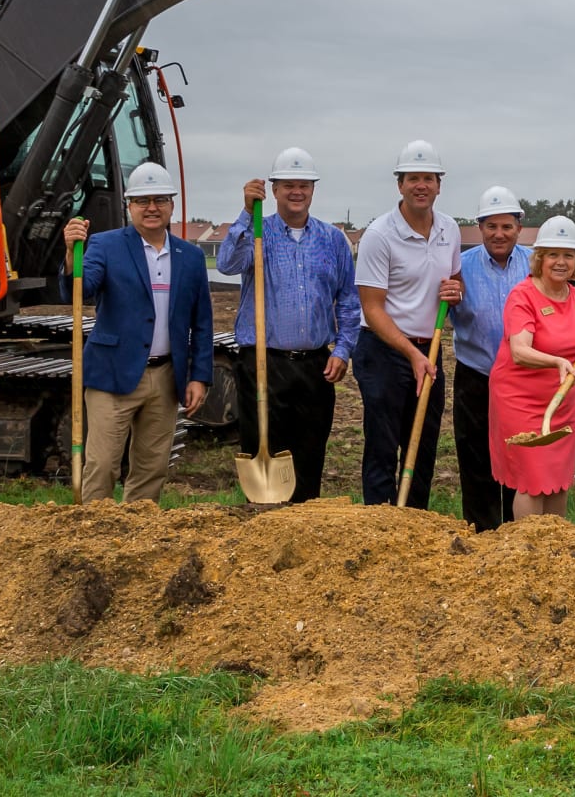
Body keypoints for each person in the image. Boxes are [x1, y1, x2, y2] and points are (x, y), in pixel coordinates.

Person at [61, 162, 212, 504]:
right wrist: (73, 254)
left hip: (165, 377)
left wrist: (199, 376)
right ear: (129, 206)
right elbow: (81, 289)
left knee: (152, 467)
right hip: (112, 374)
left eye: (160, 199)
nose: (152, 208)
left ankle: (137, 541)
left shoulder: (189, 257)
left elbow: (201, 322)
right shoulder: (103, 246)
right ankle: (92, 538)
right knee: (101, 465)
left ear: (172, 204)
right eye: (143, 201)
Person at [214, 147, 360, 504]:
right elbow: (227, 264)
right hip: (262, 362)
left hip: (314, 366)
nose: (297, 192)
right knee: (262, 445)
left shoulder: (332, 240)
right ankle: (264, 520)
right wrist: (247, 213)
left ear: (313, 190)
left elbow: (349, 303)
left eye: (304, 185)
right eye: (288, 185)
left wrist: (342, 350)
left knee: (309, 455)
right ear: (275, 189)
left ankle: (304, 525)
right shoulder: (258, 233)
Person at [353, 140, 463, 509]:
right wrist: (411, 355)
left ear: (439, 185)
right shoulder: (380, 235)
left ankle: (414, 522)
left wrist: (455, 290)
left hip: (428, 350)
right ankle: (379, 523)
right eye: (413, 178)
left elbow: (454, 281)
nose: (421, 185)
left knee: (424, 445)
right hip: (383, 352)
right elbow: (372, 309)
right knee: (384, 445)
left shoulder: (449, 229)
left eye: (428, 178)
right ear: (400, 184)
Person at [489, 216, 575, 519]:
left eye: (568, 255)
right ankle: (529, 551)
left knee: (557, 480)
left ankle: (556, 549)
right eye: (553, 255)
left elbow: (564, 338)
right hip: (521, 400)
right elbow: (519, 351)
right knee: (532, 480)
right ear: (540, 259)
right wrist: (558, 362)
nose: (561, 262)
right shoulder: (523, 296)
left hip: (560, 402)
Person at [451, 186, 530, 530]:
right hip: (475, 376)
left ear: (519, 228)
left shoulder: (535, 264)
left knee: (519, 457)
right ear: (479, 227)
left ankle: (515, 532)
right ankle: (481, 533)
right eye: (491, 226)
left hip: (523, 379)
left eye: (507, 226)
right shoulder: (459, 265)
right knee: (476, 459)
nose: (499, 234)